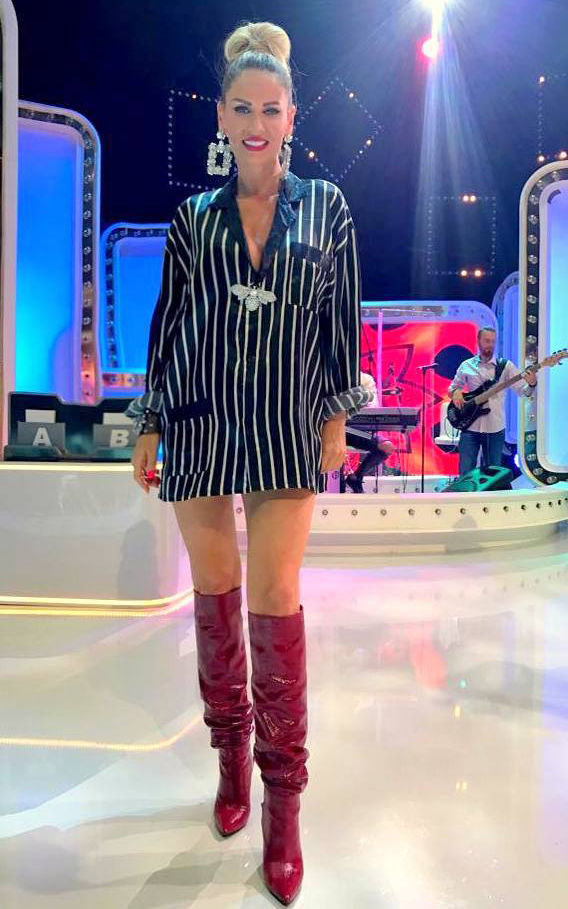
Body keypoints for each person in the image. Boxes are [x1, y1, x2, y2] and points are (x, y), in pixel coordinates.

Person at [125, 21, 372, 906]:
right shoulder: (193, 220)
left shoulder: (328, 209)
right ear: (222, 118)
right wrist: (150, 423)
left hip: (284, 428)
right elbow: (169, 326)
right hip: (199, 422)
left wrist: (335, 414)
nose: (257, 123)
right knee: (216, 599)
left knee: (275, 599)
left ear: (292, 115)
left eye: (272, 109)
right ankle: (230, 757)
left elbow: (340, 319)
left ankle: (284, 803)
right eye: (243, 108)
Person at [448, 327, 537, 477]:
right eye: (487, 341)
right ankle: (466, 493)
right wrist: (456, 392)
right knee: (465, 471)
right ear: (478, 341)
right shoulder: (466, 365)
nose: (490, 345)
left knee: (492, 473)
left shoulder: (506, 366)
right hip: (469, 425)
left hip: (495, 427)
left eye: (493, 342)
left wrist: (532, 384)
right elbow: (452, 388)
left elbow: (523, 391)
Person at [344, 370, 395, 492]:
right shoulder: (336, 377)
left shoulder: (366, 379)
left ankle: (357, 477)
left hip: (360, 430)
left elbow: (372, 407)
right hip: (339, 428)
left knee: (387, 446)